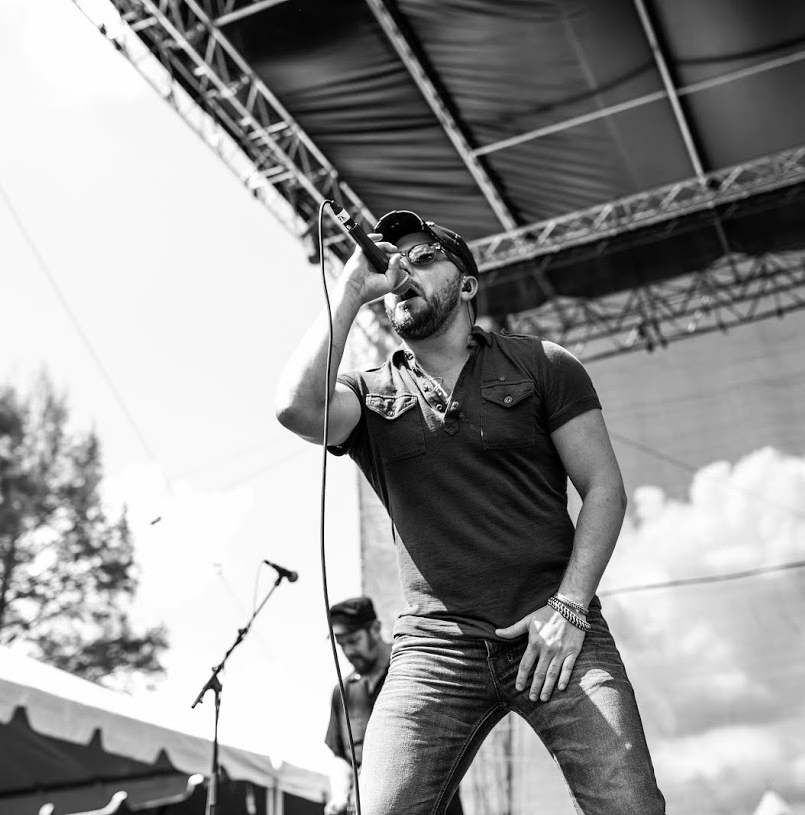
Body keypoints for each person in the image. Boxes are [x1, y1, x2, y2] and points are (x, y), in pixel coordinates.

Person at [275, 209, 665, 815]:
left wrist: (569, 607)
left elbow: (604, 489)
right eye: (395, 258)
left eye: (424, 256)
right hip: (435, 650)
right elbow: (296, 409)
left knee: (629, 806)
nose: (404, 267)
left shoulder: (543, 363)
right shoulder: (369, 391)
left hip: (554, 626)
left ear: (466, 285)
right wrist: (351, 289)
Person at [323, 596, 463, 815]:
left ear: (375, 629)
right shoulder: (342, 692)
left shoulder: (416, 670)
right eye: (341, 644)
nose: (348, 651)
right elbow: (341, 755)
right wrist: (340, 796)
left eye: (354, 641)